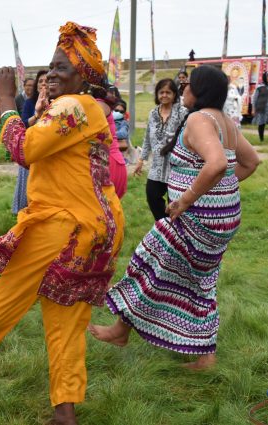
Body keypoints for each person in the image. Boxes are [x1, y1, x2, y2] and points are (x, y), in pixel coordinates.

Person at [0, 22, 125, 425]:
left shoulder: (74, 106)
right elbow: (39, 141)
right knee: (64, 316)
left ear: (83, 76)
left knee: (8, 289)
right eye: (50, 66)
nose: (52, 74)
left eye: (62, 67)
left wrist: (7, 98)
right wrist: (7, 115)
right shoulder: (79, 108)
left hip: (63, 224)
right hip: (94, 229)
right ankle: (64, 409)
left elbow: (25, 149)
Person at [89, 65, 260, 370]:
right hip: (222, 219)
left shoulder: (198, 119)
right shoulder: (227, 123)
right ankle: (203, 355)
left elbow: (218, 163)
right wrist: (220, 194)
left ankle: (120, 331)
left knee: (147, 262)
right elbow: (250, 162)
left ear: (201, 91)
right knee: (198, 280)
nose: (183, 90)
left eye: (189, 85)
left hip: (196, 219)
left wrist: (187, 199)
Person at [134, 78, 187, 220]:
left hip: (176, 167)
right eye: (161, 92)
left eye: (168, 92)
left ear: (175, 94)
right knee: (152, 196)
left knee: (174, 202)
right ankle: (164, 225)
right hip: (156, 167)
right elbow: (147, 138)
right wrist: (141, 159)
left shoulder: (183, 113)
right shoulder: (153, 113)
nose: (164, 95)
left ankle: (176, 230)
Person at [13, 70, 47, 214]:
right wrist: (37, 116)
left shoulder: (58, 103)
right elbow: (24, 125)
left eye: (47, 80)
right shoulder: (29, 103)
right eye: (40, 81)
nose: (43, 84)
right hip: (31, 147)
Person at [252, 72, 268, 142]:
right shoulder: (260, 87)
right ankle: (261, 139)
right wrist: (253, 109)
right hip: (262, 108)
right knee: (261, 124)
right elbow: (254, 98)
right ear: (265, 77)